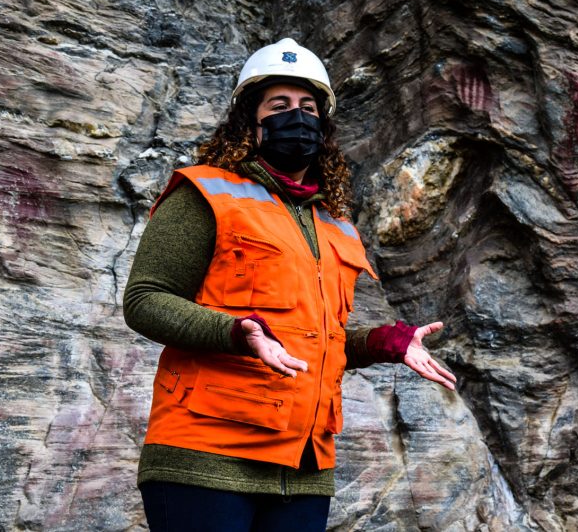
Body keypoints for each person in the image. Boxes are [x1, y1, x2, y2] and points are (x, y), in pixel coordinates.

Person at [123, 38, 456, 532]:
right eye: (279, 106)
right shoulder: (206, 193)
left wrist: (385, 341)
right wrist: (238, 331)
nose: (296, 117)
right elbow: (144, 301)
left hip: (303, 470)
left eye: (308, 108)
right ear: (248, 123)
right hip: (205, 456)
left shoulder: (334, 225)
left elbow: (311, 341)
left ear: (323, 127)